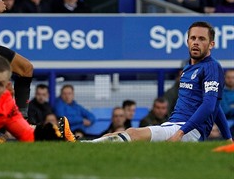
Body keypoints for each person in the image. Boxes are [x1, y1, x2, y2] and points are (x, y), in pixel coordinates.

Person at [92, 21, 233, 143]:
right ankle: (82, 144)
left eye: (202, 39)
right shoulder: (188, 68)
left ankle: (82, 144)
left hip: (188, 130)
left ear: (211, 44)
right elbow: (216, 105)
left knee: (133, 134)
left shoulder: (212, 67)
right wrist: (228, 138)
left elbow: (209, 106)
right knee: (117, 134)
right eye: (193, 38)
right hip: (174, 125)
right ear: (187, 41)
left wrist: (181, 133)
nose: (196, 42)